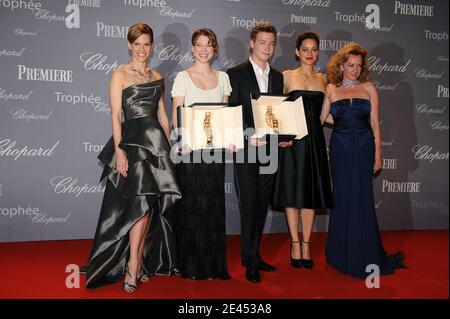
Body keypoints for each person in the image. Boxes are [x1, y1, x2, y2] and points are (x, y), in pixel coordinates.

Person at [84, 23, 181, 292]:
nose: (142, 49)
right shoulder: (119, 74)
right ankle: (132, 265)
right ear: (129, 45)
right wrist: (118, 149)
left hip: (156, 145)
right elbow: (116, 114)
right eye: (137, 44)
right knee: (137, 206)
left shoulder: (158, 75)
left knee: (148, 205)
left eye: (147, 44)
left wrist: (169, 144)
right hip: (132, 144)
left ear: (152, 47)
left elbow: (162, 113)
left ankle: (135, 263)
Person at [321, 43, 406, 279]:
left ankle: (365, 252)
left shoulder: (368, 87)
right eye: (350, 65)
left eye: (359, 66)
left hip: (364, 146)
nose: (355, 70)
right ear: (340, 65)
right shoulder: (330, 88)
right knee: (342, 197)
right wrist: (339, 123)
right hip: (340, 147)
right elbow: (321, 118)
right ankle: (340, 253)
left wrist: (378, 152)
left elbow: (375, 123)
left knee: (362, 197)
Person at [171, 28, 232, 280]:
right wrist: (184, 140)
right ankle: (191, 265)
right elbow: (177, 115)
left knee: (213, 207)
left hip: (215, 151)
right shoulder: (183, 77)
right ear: (192, 48)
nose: (204, 49)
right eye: (199, 45)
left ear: (214, 48)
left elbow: (224, 115)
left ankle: (214, 266)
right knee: (192, 208)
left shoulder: (224, 78)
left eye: (209, 44)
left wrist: (229, 139)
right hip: (191, 151)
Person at [227, 23, 284, 283]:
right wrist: (246, 136)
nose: (267, 48)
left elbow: (278, 114)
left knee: (261, 206)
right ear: (251, 43)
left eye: (271, 43)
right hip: (246, 150)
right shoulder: (235, 74)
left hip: (271, 151)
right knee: (249, 206)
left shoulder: (278, 77)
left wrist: (282, 136)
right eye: (262, 42)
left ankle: (254, 254)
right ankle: (249, 260)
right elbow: (232, 114)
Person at [273, 31, 333, 269]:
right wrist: (281, 135)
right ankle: (294, 242)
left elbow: (325, 116)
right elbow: (274, 110)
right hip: (292, 140)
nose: (310, 54)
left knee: (309, 194)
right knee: (292, 192)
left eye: (314, 49)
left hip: (315, 141)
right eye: (305, 49)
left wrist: (353, 123)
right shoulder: (285, 76)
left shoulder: (324, 80)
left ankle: (306, 243)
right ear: (297, 51)